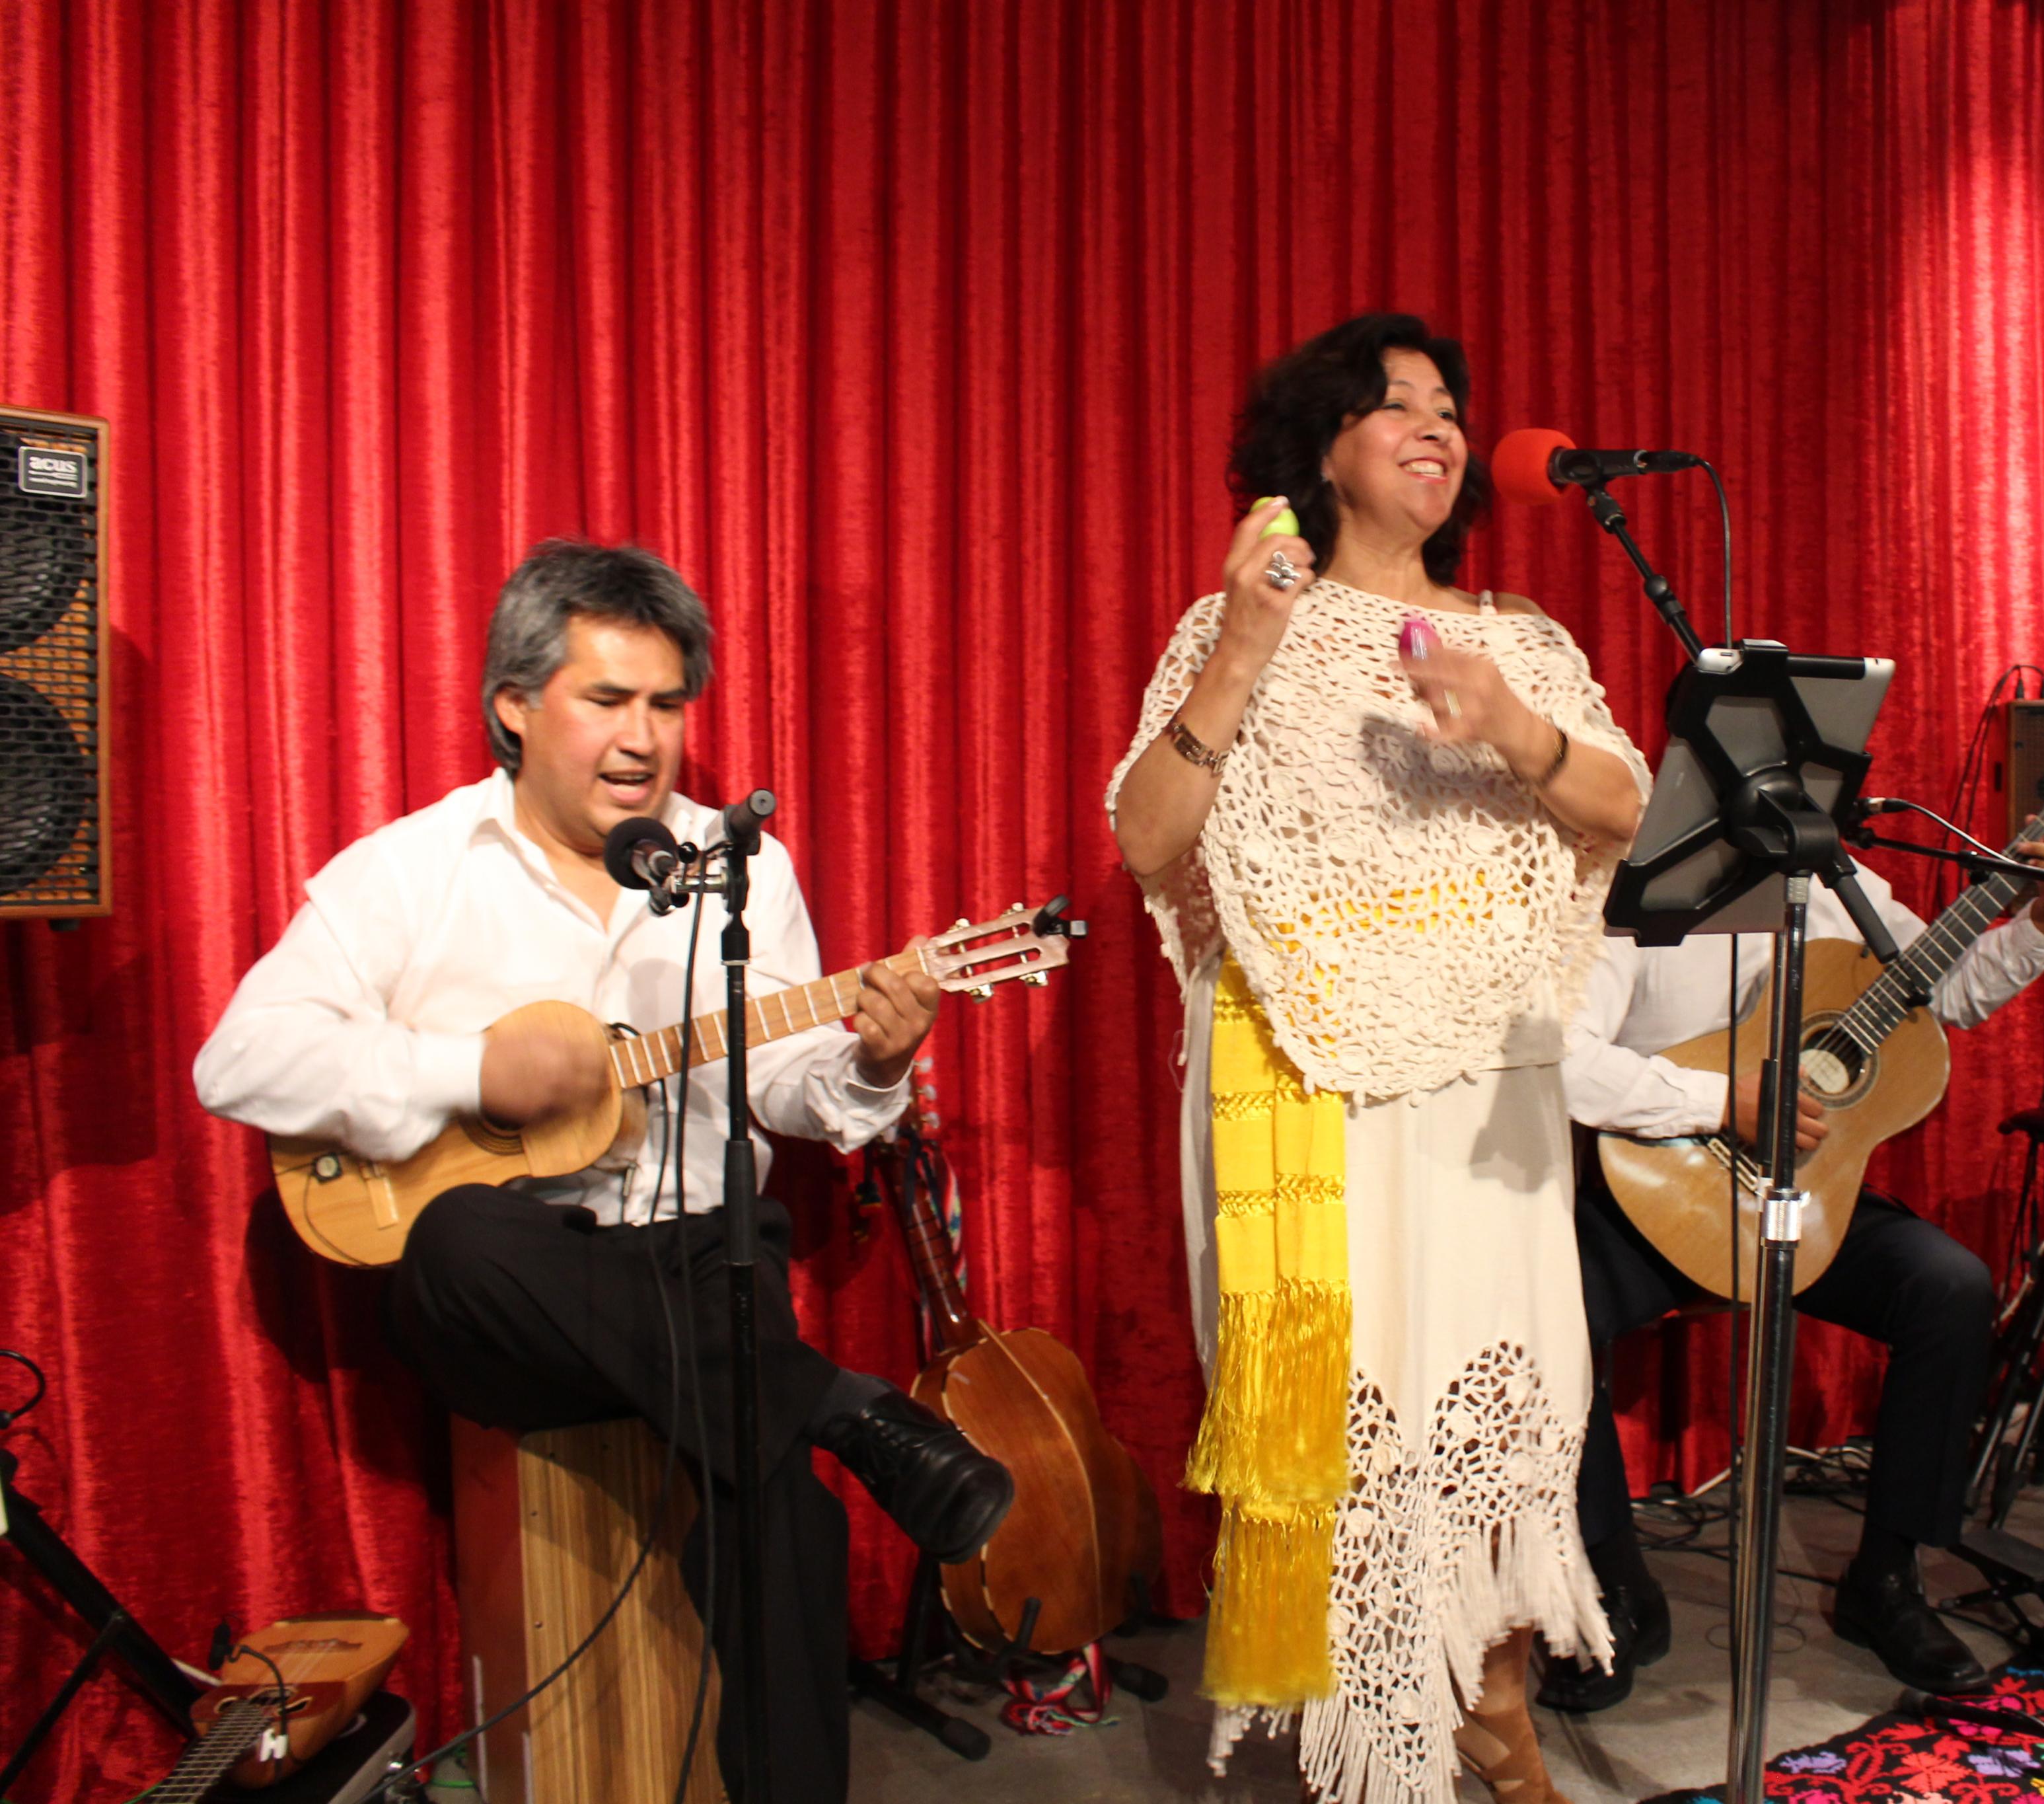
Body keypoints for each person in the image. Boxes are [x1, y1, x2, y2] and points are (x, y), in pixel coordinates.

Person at [193, 541, 1014, 1803]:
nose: (643, 737)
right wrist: (468, 1071)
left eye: (667, 704)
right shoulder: (412, 869)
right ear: (516, 706)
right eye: (607, 699)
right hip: (505, 1293)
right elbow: (239, 1061)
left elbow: (787, 1088)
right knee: (462, 1236)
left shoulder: (737, 864)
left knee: (783, 1521)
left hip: (702, 1262)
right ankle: (836, 1403)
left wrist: (874, 1061)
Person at [1109, 314, 1650, 1804]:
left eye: (1449, 408)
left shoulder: (1519, 636)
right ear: (1323, 448)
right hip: (1305, 1078)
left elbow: (1624, 811)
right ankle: (1375, 1756)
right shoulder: (1234, 629)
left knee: (1502, 1409)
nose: (1438, 427)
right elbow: (1148, 841)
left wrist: (1514, 728)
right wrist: (1244, 648)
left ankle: (1497, 1714)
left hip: (1487, 1091)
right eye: (1395, 403)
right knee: (1358, 1437)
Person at [1544, 831, 2044, 1708]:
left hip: (1805, 1199)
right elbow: (1566, 1059)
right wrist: (1721, 1100)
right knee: (1548, 1309)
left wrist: (2040, 920)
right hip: (1661, 1189)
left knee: (1948, 1288)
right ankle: (1614, 1585)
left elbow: (1946, 991)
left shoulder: (1845, 884)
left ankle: (1887, 1578)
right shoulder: (1639, 892)